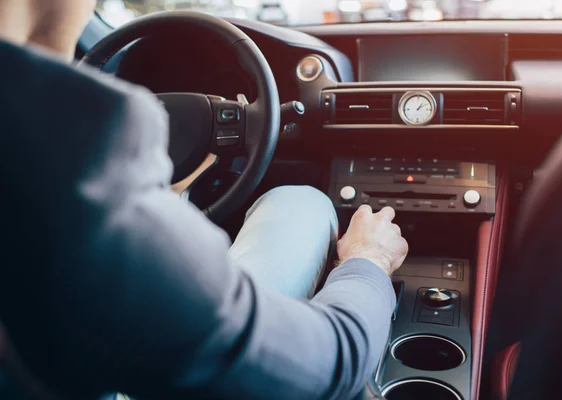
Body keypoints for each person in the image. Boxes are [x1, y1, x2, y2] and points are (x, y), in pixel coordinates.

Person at [0, 0, 409, 399]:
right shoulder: (67, 175)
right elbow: (336, 359)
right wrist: (368, 259)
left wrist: (153, 204)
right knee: (300, 201)